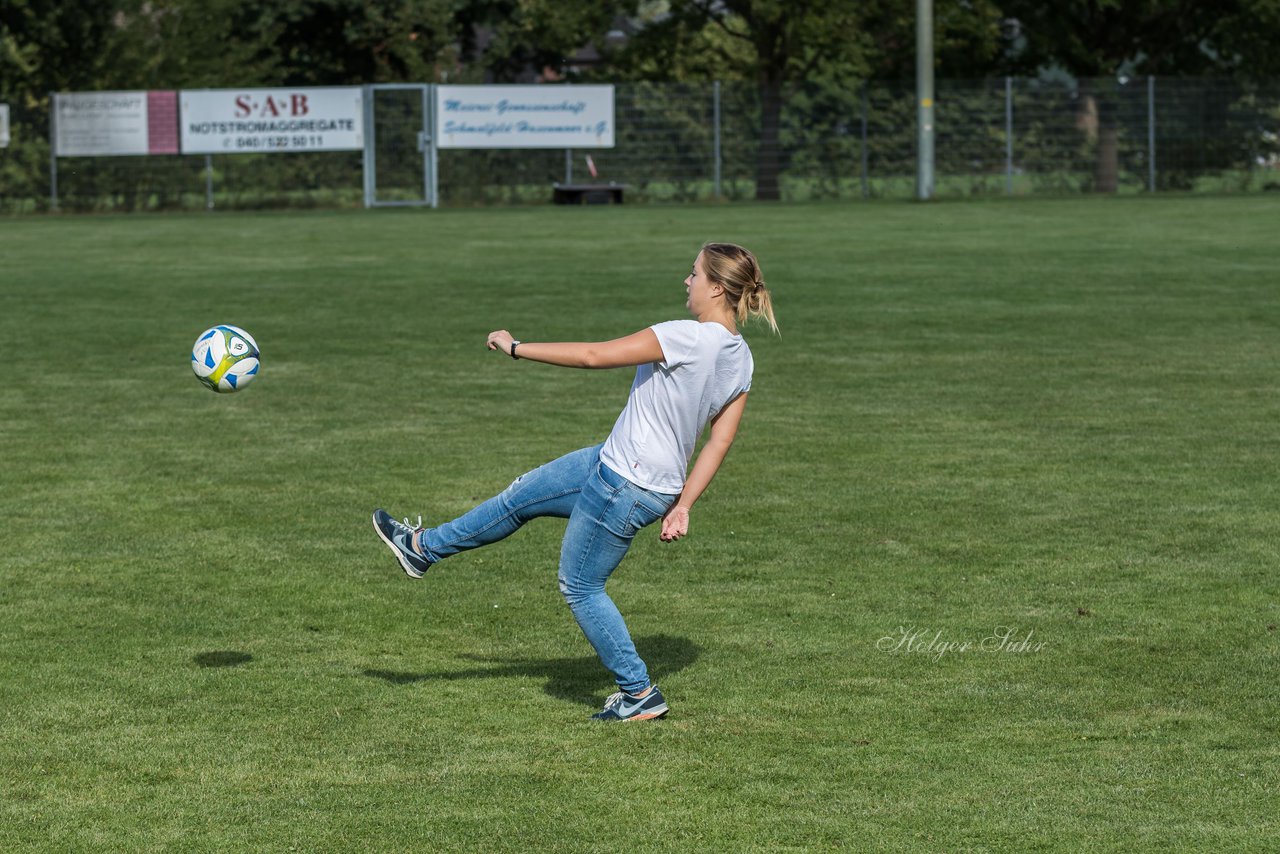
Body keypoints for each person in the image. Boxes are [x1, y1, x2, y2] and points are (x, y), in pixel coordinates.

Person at [372, 242, 778, 722]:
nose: (685, 282)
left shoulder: (685, 336)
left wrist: (516, 348)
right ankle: (423, 548)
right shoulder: (742, 357)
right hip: (624, 470)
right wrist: (684, 503)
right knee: (521, 496)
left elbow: (592, 356)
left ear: (715, 287)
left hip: (623, 485)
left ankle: (639, 693)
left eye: (692, 274)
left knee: (581, 585)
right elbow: (720, 441)